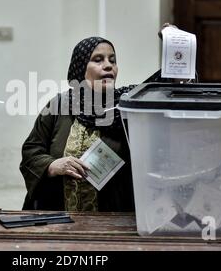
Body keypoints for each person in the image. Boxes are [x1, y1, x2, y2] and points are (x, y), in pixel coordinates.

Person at [19, 36, 136, 212]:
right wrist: (52, 166)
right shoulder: (58, 106)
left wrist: (175, 44)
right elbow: (31, 152)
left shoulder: (126, 110)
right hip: (57, 217)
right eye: (98, 60)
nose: (108, 65)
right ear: (81, 68)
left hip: (110, 222)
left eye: (112, 60)